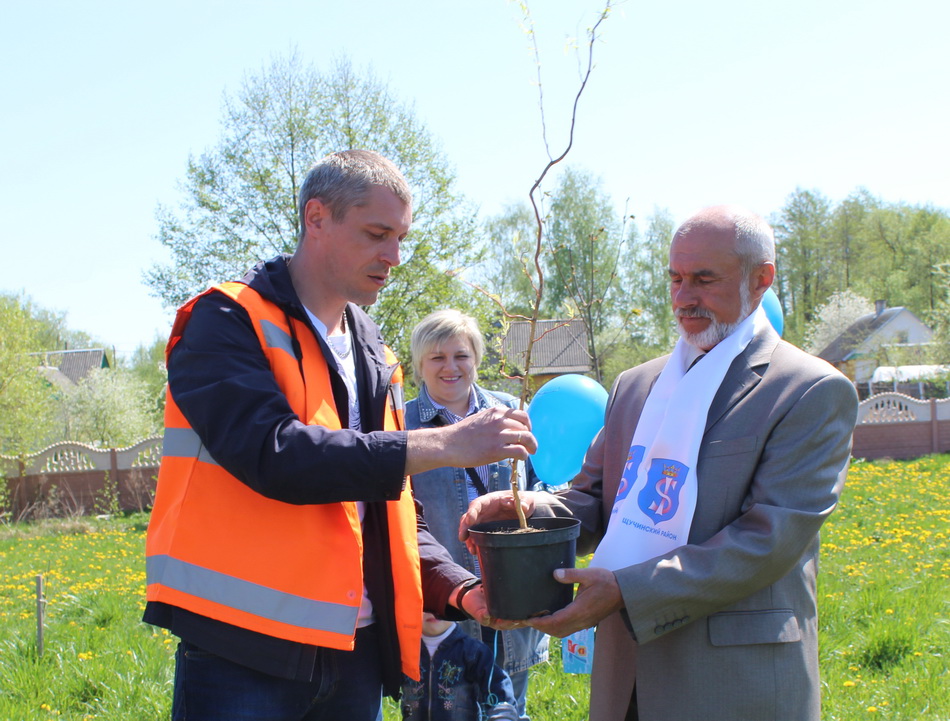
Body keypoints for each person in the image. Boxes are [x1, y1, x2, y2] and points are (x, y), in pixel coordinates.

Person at [144, 149, 537, 721]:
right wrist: (445, 445)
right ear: (317, 217)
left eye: (401, 237)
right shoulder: (226, 319)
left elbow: (388, 505)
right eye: (378, 234)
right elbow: (275, 454)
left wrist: (457, 590)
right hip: (243, 652)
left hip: (355, 653)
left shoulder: (372, 350)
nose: (395, 256)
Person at [461, 205, 859, 721]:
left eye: (704, 279)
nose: (684, 298)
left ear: (762, 279)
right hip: (623, 672)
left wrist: (626, 591)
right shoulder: (637, 385)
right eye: (674, 279)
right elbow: (596, 498)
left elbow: (768, 539)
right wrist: (529, 508)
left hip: (732, 678)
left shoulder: (810, 391)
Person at [405, 310, 548, 720]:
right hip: (439, 599)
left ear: (477, 358)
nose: (450, 367)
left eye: (461, 355)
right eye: (437, 357)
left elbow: (538, 487)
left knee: (507, 704)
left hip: (510, 585)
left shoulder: (508, 412)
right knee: (440, 705)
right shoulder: (402, 423)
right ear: (420, 364)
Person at [400, 613, 520, 721]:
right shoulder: (403, 650)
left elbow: (497, 685)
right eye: (425, 604)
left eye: (439, 603)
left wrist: (503, 715)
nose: (432, 611)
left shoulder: (472, 651)